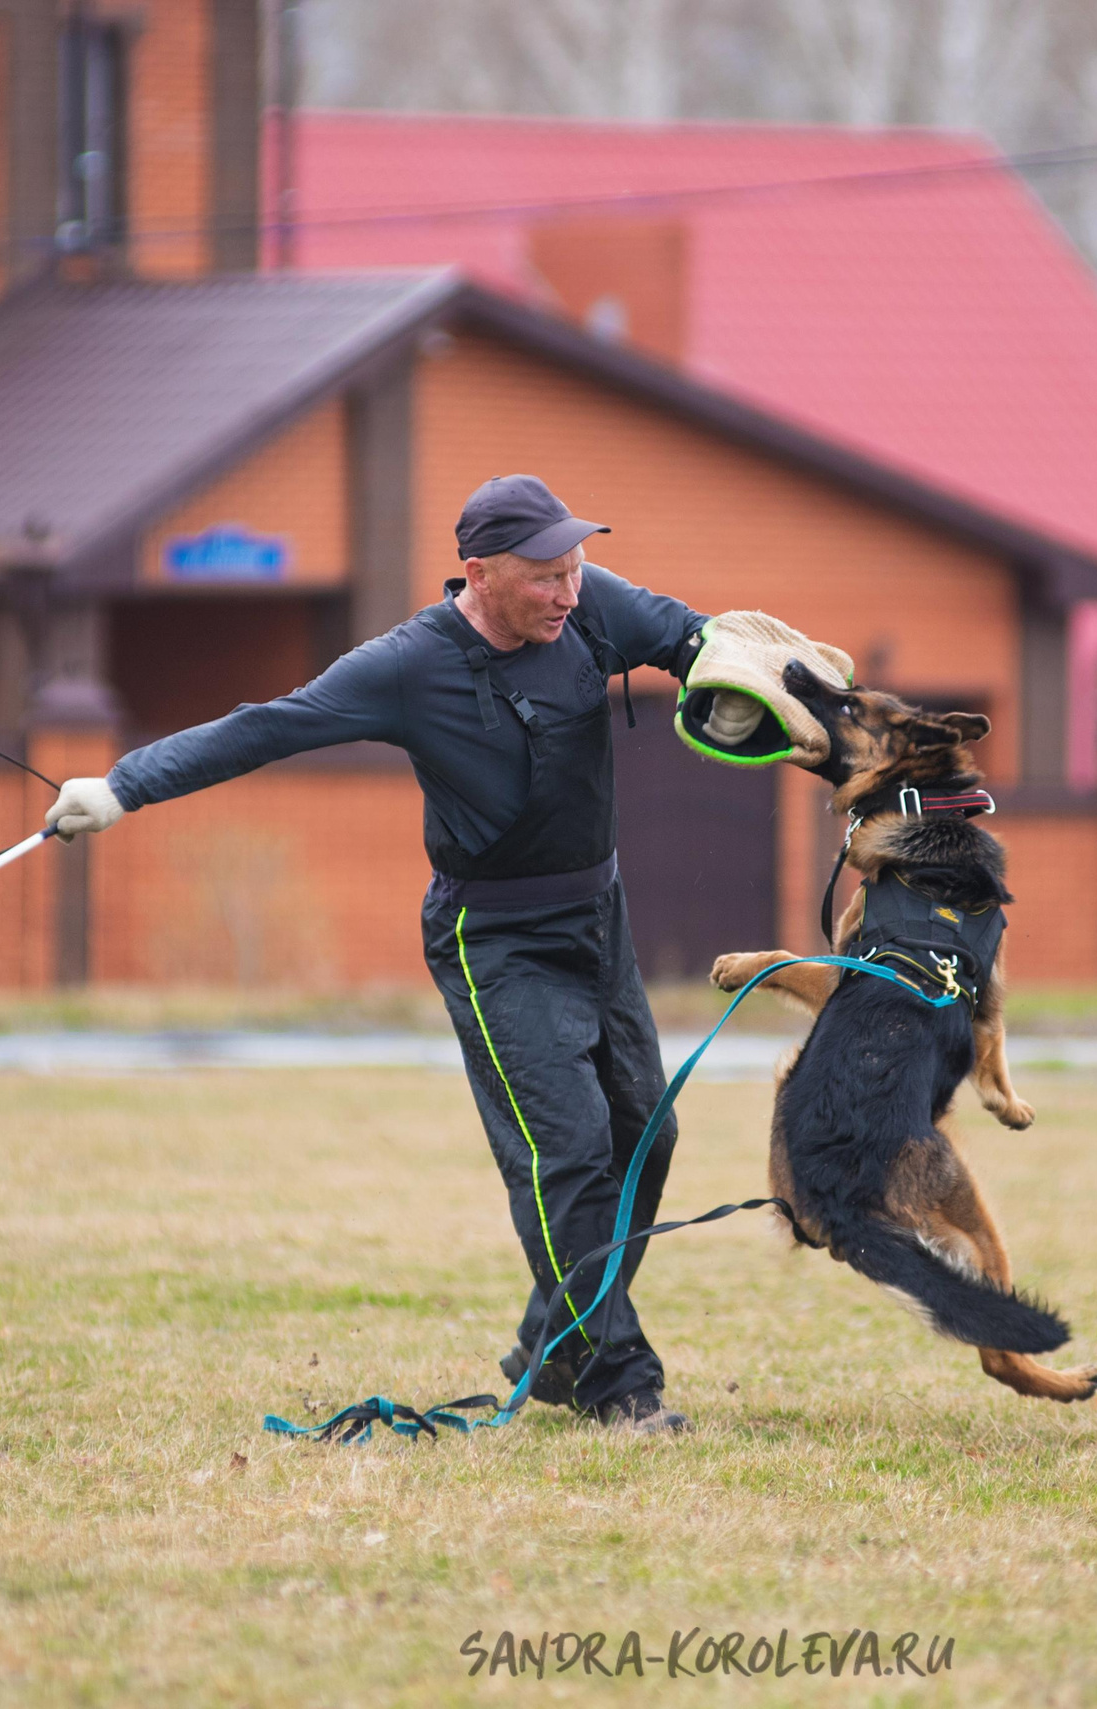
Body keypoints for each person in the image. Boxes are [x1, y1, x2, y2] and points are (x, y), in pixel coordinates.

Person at [46, 475, 711, 1434]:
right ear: (479, 573)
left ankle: (557, 1345)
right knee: (566, 1154)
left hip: (597, 919)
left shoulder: (588, 601)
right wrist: (120, 786)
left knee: (647, 1134)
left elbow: (697, 641)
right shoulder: (406, 666)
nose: (569, 593)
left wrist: (793, 688)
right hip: (496, 941)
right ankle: (620, 1385)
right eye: (545, 577)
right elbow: (265, 726)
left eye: (575, 569)